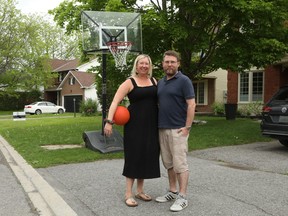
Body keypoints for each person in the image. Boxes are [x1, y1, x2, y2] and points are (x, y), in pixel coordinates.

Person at [104, 54, 160, 207]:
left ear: (150, 66)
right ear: (136, 66)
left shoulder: (155, 81)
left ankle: (140, 191)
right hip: (134, 126)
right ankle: (128, 193)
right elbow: (115, 101)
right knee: (134, 156)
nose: (144, 66)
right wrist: (109, 122)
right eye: (141, 63)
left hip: (151, 125)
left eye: (146, 63)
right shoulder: (129, 82)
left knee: (147, 155)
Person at [156, 50, 196, 212]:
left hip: (178, 129)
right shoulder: (160, 82)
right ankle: (172, 191)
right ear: (163, 64)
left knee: (180, 164)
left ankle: (183, 196)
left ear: (178, 63)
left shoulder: (184, 81)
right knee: (169, 163)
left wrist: (187, 127)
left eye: (173, 62)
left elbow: (191, 104)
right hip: (162, 128)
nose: (169, 64)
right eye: (167, 62)